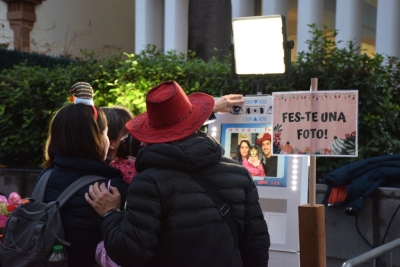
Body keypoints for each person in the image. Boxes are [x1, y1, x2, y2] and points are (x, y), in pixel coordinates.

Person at [85, 80, 270, 267]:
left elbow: (130, 253)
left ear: (151, 132)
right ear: (195, 123)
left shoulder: (148, 182)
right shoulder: (238, 173)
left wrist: (110, 214)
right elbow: (257, 246)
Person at [35, 82, 129, 267]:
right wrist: (112, 213)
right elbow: (128, 247)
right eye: (105, 133)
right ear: (96, 138)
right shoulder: (111, 188)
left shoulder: (44, 177)